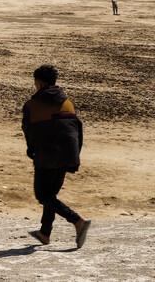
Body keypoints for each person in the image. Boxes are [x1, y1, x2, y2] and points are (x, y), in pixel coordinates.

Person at [23, 65, 91, 248]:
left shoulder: (31, 105)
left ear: (39, 82)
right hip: (70, 153)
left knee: (43, 195)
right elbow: (76, 129)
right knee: (51, 195)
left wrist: (32, 151)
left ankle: (78, 221)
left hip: (48, 155)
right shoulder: (67, 102)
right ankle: (45, 233)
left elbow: (29, 132)